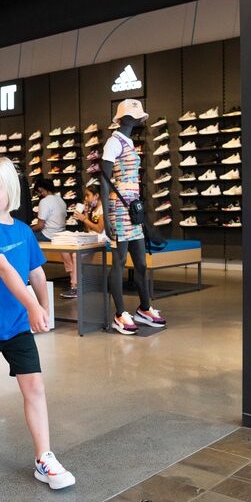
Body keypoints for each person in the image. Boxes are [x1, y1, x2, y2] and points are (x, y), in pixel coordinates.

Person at [0, 156, 76, 491]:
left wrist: (43, 309)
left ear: (10, 190)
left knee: (34, 387)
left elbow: (35, 271)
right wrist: (34, 306)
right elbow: (4, 269)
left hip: (17, 325)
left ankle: (43, 457)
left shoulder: (23, 230)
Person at [101, 99, 167, 335]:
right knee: (118, 262)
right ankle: (119, 313)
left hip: (132, 207)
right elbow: (105, 180)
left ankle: (145, 308)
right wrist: (106, 219)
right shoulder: (113, 142)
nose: (139, 119)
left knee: (140, 262)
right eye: (135, 115)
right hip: (118, 208)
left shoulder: (128, 141)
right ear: (125, 118)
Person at [59, 185, 104, 298]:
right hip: (91, 238)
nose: (86, 199)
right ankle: (74, 278)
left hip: (100, 240)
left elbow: (99, 229)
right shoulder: (93, 210)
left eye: (88, 195)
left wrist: (84, 219)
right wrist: (86, 215)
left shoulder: (103, 209)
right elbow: (89, 229)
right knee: (64, 249)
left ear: (96, 196)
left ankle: (75, 286)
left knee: (75, 254)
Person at [31, 177, 66, 242]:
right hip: (61, 233)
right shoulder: (60, 199)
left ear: (40, 189)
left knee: (23, 236)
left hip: (49, 235)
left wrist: (28, 229)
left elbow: (40, 226)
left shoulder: (44, 201)